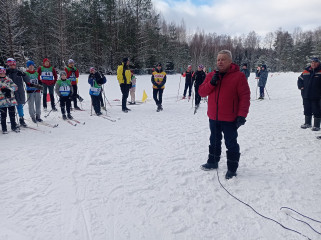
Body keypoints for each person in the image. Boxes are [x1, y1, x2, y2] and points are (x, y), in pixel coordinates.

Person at [198, 50, 250, 179]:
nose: (220, 62)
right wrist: (211, 83)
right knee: (214, 140)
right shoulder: (211, 75)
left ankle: (232, 168)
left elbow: (245, 97)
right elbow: (201, 92)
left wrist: (242, 115)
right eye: (218, 59)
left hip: (230, 118)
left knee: (231, 143)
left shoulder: (239, 76)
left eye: (223, 59)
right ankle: (213, 162)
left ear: (230, 61)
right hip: (213, 116)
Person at [297, 57, 321, 131]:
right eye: (312, 62)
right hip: (306, 95)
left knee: (316, 110)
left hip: (317, 95)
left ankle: (316, 125)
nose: (313, 64)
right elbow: (300, 79)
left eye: (315, 62)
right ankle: (307, 123)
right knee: (307, 109)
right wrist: (300, 86)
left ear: (318, 63)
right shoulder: (306, 71)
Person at [6, 58, 31, 127]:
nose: (12, 65)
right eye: (10, 64)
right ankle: (13, 121)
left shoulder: (19, 71)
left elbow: (28, 80)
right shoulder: (5, 72)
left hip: (19, 91)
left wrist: (23, 74)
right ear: (8, 65)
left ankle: (21, 119)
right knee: (11, 107)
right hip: (9, 92)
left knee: (19, 106)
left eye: (13, 64)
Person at [0, 66, 19, 133]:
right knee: (3, 115)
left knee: (12, 114)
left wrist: (9, 90)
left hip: (11, 100)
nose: (2, 74)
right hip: (2, 102)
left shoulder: (9, 79)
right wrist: (3, 91)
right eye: (1, 73)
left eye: (3, 72)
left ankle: (13, 126)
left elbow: (15, 87)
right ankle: (4, 128)